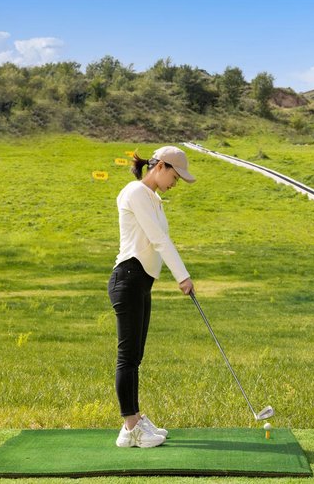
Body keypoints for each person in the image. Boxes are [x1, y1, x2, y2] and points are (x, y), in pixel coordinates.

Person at [107, 145, 196, 448]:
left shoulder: (153, 199)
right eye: (175, 176)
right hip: (128, 278)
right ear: (160, 167)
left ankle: (133, 422)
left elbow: (161, 239)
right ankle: (131, 426)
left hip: (141, 282)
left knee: (136, 356)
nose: (176, 183)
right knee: (127, 357)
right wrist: (182, 276)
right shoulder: (135, 192)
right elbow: (159, 240)